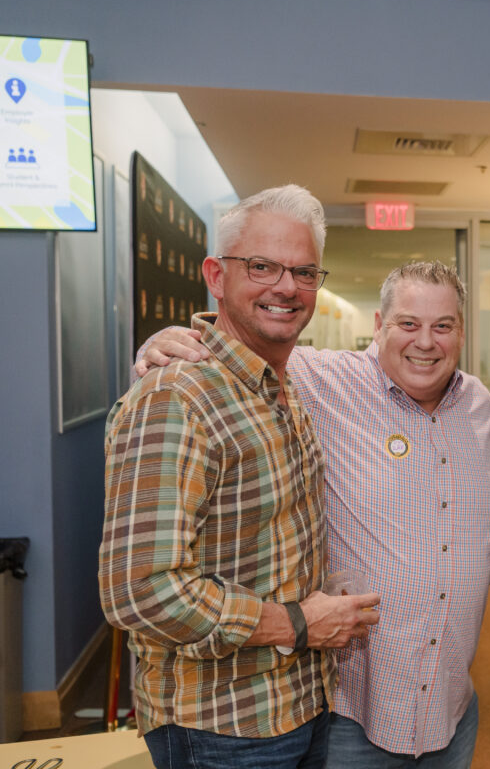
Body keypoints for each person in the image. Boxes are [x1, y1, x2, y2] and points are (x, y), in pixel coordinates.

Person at [134, 260, 490, 768]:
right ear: (378, 326)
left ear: (462, 331)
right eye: (408, 324)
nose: (426, 341)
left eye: (443, 326)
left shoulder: (482, 407)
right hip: (353, 718)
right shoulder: (321, 381)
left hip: (453, 712)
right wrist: (168, 342)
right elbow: (236, 352)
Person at [101, 185, 380, 769]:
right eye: (262, 266)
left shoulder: (286, 388)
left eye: (304, 272)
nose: (286, 287)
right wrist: (297, 624)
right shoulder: (176, 395)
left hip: (299, 705)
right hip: (220, 728)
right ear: (216, 275)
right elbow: (139, 591)